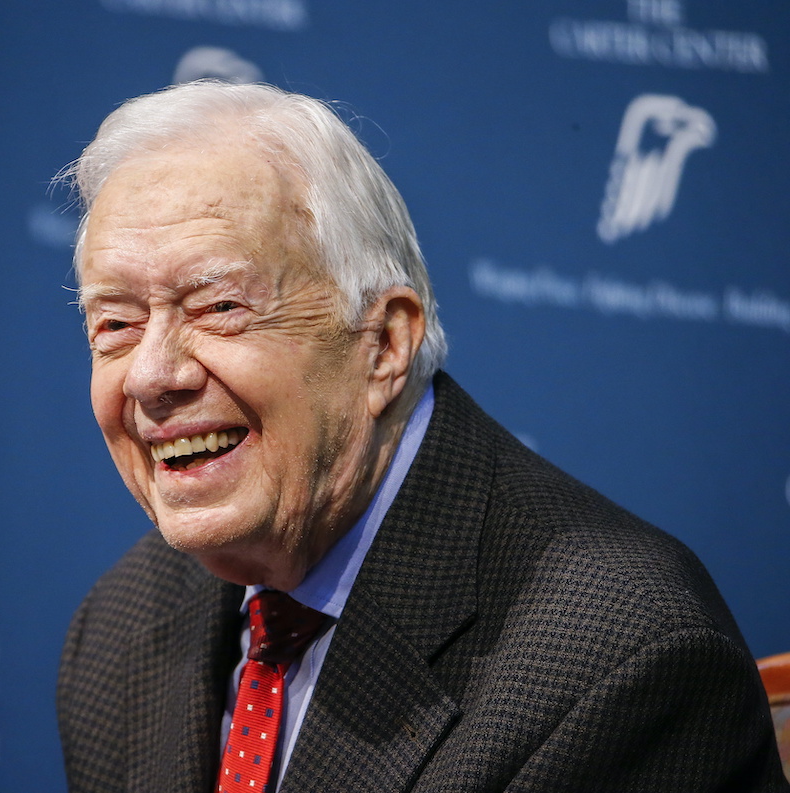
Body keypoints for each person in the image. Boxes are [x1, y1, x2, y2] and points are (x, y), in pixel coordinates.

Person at [55, 80, 787, 792]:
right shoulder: (124, 623)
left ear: (383, 344)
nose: (152, 375)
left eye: (218, 307)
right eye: (114, 323)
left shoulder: (619, 658)